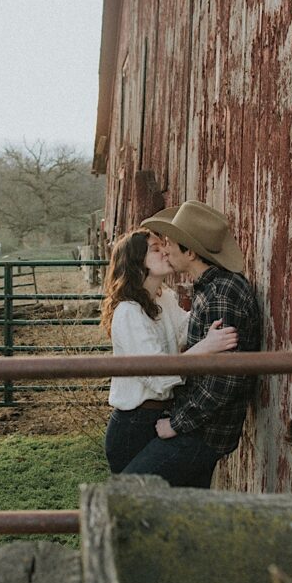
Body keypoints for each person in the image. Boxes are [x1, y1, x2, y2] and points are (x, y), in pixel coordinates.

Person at [122, 201, 261, 488]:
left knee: (126, 492)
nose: (166, 249)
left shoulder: (222, 293)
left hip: (201, 432)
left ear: (191, 251)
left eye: (171, 243)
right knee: (182, 513)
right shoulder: (206, 290)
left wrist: (176, 424)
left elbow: (224, 379)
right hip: (197, 427)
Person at [100, 228, 238, 474]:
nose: (164, 251)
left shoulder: (164, 299)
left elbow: (189, 330)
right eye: (155, 249)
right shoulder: (128, 312)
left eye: (163, 246)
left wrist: (213, 305)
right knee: (135, 502)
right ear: (136, 262)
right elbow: (158, 376)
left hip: (160, 415)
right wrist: (206, 347)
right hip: (133, 423)